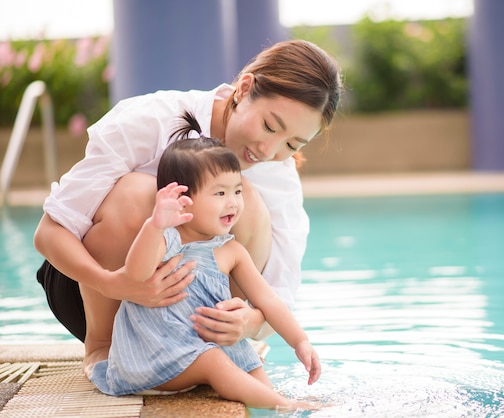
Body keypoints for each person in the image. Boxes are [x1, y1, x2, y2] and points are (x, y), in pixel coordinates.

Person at [33, 39, 342, 374]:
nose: (269, 150)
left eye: (292, 144)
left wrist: (249, 323)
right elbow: (50, 233)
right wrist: (113, 282)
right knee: (142, 191)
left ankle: (212, 347)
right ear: (245, 88)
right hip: (95, 287)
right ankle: (103, 346)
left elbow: (281, 294)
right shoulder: (153, 118)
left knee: (245, 200)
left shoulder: (277, 175)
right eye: (270, 126)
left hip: (189, 315)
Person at [89, 114, 320, 410]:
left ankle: (274, 404)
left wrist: (299, 341)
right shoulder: (166, 240)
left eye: (237, 191)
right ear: (184, 199)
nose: (233, 202)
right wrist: (154, 225)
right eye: (220, 193)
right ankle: (284, 405)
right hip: (153, 353)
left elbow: (269, 300)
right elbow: (136, 273)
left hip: (198, 345)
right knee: (212, 361)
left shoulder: (231, 251)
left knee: (247, 359)